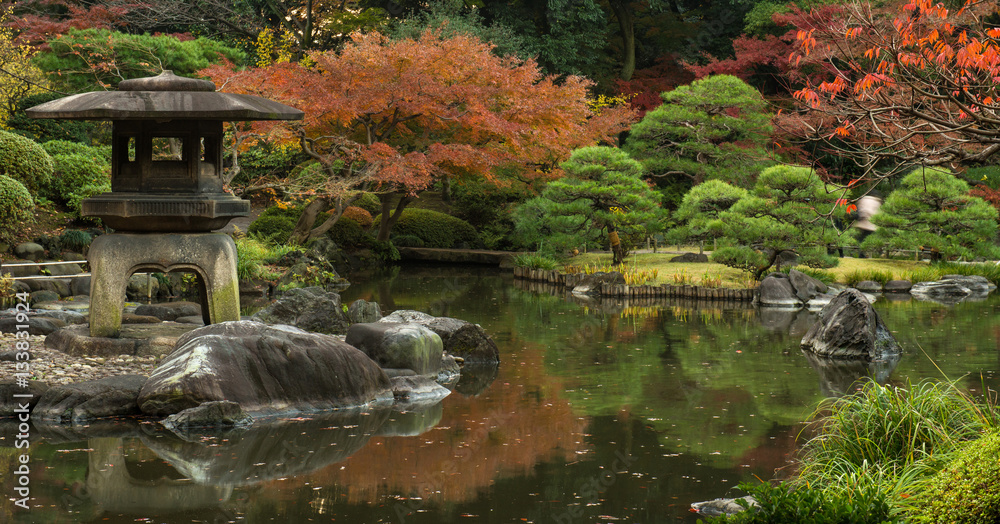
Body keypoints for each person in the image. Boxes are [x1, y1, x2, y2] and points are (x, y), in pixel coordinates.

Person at [852, 191, 882, 257]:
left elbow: (859, 210)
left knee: (862, 239)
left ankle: (862, 254)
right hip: (872, 225)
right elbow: (877, 213)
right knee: (875, 239)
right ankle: (880, 253)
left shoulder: (863, 199)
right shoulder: (877, 202)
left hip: (862, 223)